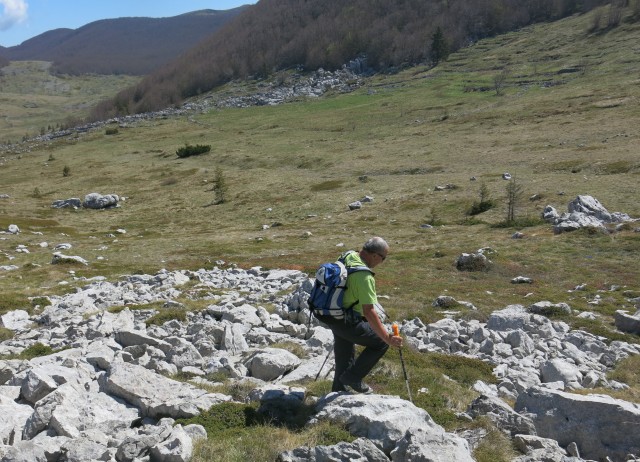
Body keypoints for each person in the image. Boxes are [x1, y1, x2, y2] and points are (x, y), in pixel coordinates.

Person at [315, 236, 403, 393]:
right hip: (346, 319)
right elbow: (369, 311)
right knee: (380, 343)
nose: (382, 262)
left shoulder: (348, 255)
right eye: (383, 258)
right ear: (375, 255)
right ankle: (353, 378)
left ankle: (339, 390)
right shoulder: (364, 276)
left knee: (345, 355)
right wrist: (387, 338)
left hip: (331, 313)